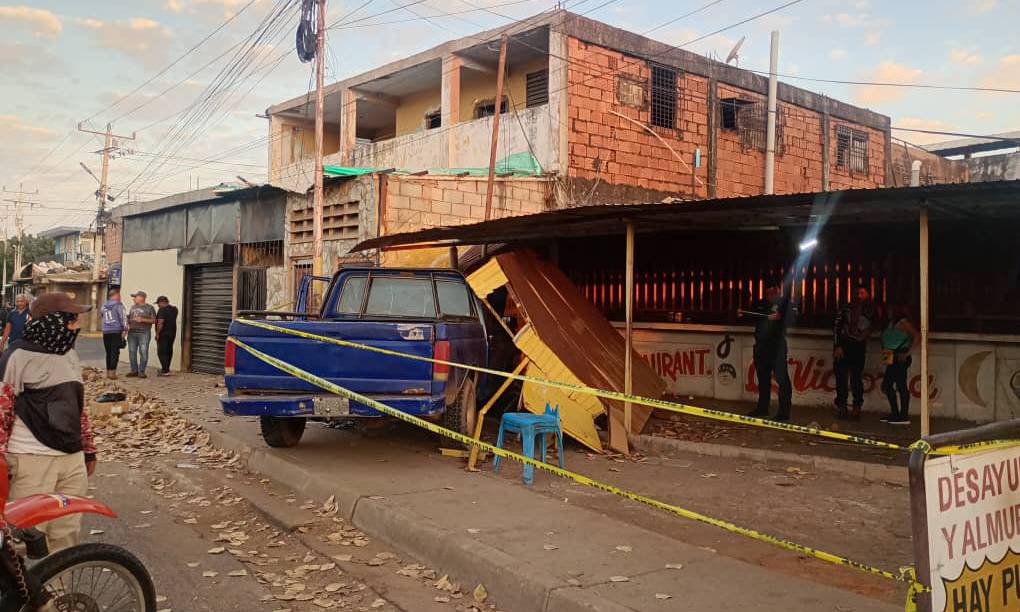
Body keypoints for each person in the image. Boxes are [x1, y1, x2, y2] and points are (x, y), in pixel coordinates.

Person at [0, 292, 97, 552]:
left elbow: (79, 407)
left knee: (66, 537)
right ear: (52, 322)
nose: (76, 327)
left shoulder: (69, 355)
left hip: (71, 460)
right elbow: (2, 411)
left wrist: (87, 449)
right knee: (22, 541)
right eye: (71, 320)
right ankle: (21, 593)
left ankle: (56, 592)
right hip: (31, 461)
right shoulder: (16, 357)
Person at [747, 282, 796, 421]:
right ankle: (762, 408)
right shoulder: (760, 304)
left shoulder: (785, 304)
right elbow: (751, 316)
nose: (771, 296)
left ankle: (784, 412)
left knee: (782, 379)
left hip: (777, 347)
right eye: (769, 293)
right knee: (763, 379)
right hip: (761, 346)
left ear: (778, 292)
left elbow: (793, 317)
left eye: (774, 293)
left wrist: (780, 317)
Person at [833, 284, 879, 421]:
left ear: (867, 295)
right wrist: (838, 345)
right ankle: (842, 406)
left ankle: (856, 407)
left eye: (862, 292)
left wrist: (867, 333)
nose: (859, 295)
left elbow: (876, 326)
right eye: (857, 292)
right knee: (841, 377)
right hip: (844, 344)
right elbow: (837, 327)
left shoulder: (871, 310)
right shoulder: (846, 308)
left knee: (856, 378)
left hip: (858, 346)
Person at [880, 306, 917, 425]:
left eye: (890, 309)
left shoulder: (903, 323)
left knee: (898, 384)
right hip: (890, 354)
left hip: (900, 355)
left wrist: (908, 353)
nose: (888, 311)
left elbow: (917, 336)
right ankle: (896, 413)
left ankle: (902, 415)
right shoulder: (890, 323)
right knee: (888, 385)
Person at [126, 290, 156, 378]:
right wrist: (127, 319)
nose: (133, 299)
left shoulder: (149, 308)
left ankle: (141, 371)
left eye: (135, 297)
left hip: (144, 333)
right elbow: (131, 318)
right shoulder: (133, 307)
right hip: (132, 332)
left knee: (143, 352)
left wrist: (142, 320)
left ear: (141, 298)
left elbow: (154, 320)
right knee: (132, 352)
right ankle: (134, 370)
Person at [100, 288, 128, 379]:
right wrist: (125, 329)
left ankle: (108, 372)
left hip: (106, 331)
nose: (120, 297)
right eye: (119, 295)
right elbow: (123, 318)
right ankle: (112, 373)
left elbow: (102, 315)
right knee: (115, 352)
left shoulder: (104, 305)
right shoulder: (119, 305)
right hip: (116, 331)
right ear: (115, 295)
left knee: (108, 352)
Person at [155, 296, 178, 377]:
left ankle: (165, 370)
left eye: (158, 304)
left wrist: (157, 334)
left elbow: (160, 323)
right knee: (169, 351)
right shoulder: (174, 309)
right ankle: (167, 368)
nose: (158, 305)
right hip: (172, 333)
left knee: (161, 352)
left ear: (161, 302)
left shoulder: (162, 310)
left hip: (163, 334)